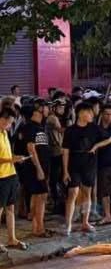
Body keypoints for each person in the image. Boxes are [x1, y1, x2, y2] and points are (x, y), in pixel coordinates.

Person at [62, 102, 111, 236]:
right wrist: (65, 170)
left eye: (91, 112)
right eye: (89, 112)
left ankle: (85, 222)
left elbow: (110, 139)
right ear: (80, 113)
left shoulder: (94, 128)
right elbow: (65, 151)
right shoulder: (70, 130)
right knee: (72, 192)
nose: (91, 115)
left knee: (87, 192)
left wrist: (96, 146)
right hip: (74, 163)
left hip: (89, 163)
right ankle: (68, 224)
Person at [22, 99, 51, 238]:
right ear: (39, 109)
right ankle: (39, 228)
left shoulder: (40, 126)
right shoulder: (30, 127)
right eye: (46, 107)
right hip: (35, 168)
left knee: (38, 196)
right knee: (41, 196)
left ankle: (36, 227)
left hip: (43, 167)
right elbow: (31, 148)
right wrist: (39, 169)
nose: (48, 110)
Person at [0, 106, 28, 250]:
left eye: (11, 122)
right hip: (1, 177)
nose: (9, 125)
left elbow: (7, 154)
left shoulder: (5, 133)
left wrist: (15, 159)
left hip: (10, 174)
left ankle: (12, 239)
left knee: (11, 207)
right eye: (8, 121)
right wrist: (12, 159)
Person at [46, 98, 67, 215]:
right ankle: (57, 203)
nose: (62, 110)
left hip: (57, 152)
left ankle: (58, 203)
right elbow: (61, 130)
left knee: (57, 179)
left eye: (63, 108)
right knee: (56, 179)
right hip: (55, 152)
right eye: (60, 107)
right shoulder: (52, 118)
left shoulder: (54, 118)